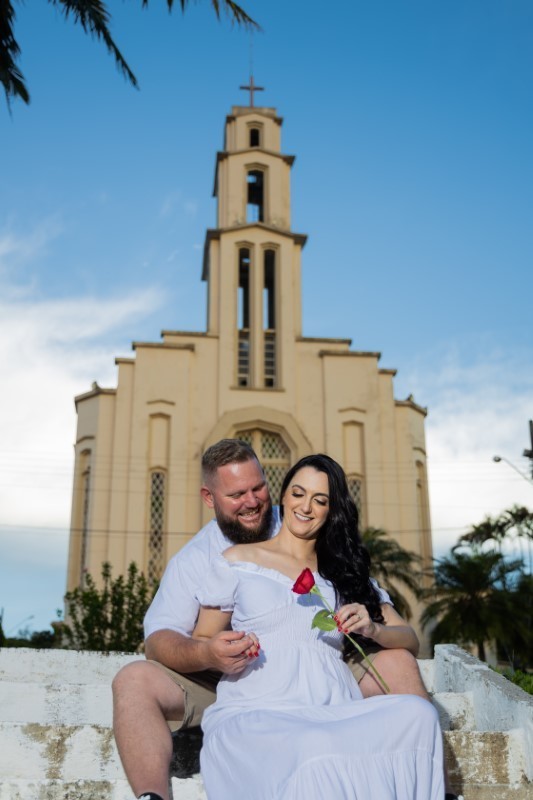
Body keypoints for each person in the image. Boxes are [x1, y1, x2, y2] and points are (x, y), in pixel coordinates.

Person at [112, 440, 449, 800]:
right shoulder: (203, 559)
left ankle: (441, 791)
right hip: (235, 679)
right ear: (209, 498)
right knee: (134, 679)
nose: (252, 501)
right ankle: (152, 797)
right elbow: (162, 640)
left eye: (258, 488)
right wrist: (209, 654)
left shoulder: (330, 554)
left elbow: (402, 632)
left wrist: (372, 626)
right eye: (236, 494)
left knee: (412, 697)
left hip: (322, 668)